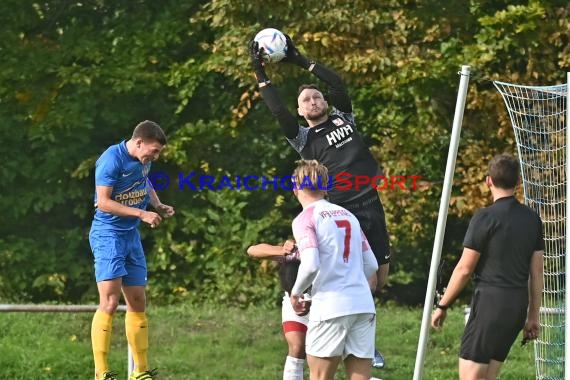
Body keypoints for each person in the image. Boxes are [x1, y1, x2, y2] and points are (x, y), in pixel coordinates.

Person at [249, 34, 389, 368]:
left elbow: (338, 83)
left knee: (379, 278)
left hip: (371, 202)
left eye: (316, 96)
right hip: (343, 211)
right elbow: (278, 110)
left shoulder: (344, 119)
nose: (312, 101)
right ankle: (345, 336)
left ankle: (359, 332)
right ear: (301, 111)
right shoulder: (303, 138)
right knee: (348, 273)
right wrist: (260, 72)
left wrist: (298, 58)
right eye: (306, 100)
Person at [431, 154, 544, 380]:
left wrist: (442, 305)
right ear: (518, 182)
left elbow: (464, 268)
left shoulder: (485, 217)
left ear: (488, 181)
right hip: (516, 307)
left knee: (471, 377)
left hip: (490, 305)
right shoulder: (533, 219)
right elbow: (537, 273)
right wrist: (532, 316)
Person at [89, 120, 175, 380]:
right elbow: (102, 203)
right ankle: (101, 373)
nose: (155, 156)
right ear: (139, 142)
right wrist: (141, 213)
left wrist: (157, 205)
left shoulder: (142, 161)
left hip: (131, 236)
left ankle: (140, 372)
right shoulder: (110, 160)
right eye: (154, 150)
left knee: (138, 301)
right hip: (108, 235)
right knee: (111, 302)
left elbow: (144, 182)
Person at [288, 159, 379, 380]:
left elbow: (310, 264)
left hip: (331, 306)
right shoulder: (349, 216)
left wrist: (296, 293)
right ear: (325, 186)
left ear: (295, 187)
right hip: (363, 305)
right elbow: (372, 265)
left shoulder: (305, 218)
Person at [247, 240, 308, 380]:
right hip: (293, 303)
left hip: (323, 303)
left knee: (319, 354)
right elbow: (252, 250)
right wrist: (282, 250)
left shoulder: (328, 252)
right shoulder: (296, 252)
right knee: (297, 348)